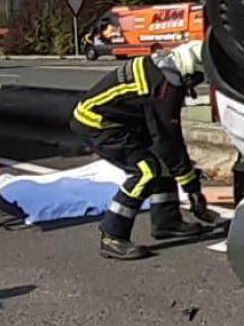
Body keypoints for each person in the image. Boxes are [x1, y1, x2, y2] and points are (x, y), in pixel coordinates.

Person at [70, 40, 218, 260]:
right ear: (189, 74)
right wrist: (192, 189)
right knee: (146, 170)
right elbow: (169, 140)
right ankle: (112, 235)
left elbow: (165, 145)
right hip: (97, 123)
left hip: (122, 120)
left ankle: (166, 221)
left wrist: (186, 179)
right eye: (197, 79)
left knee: (162, 161)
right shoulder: (165, 89)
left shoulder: (161, 67)